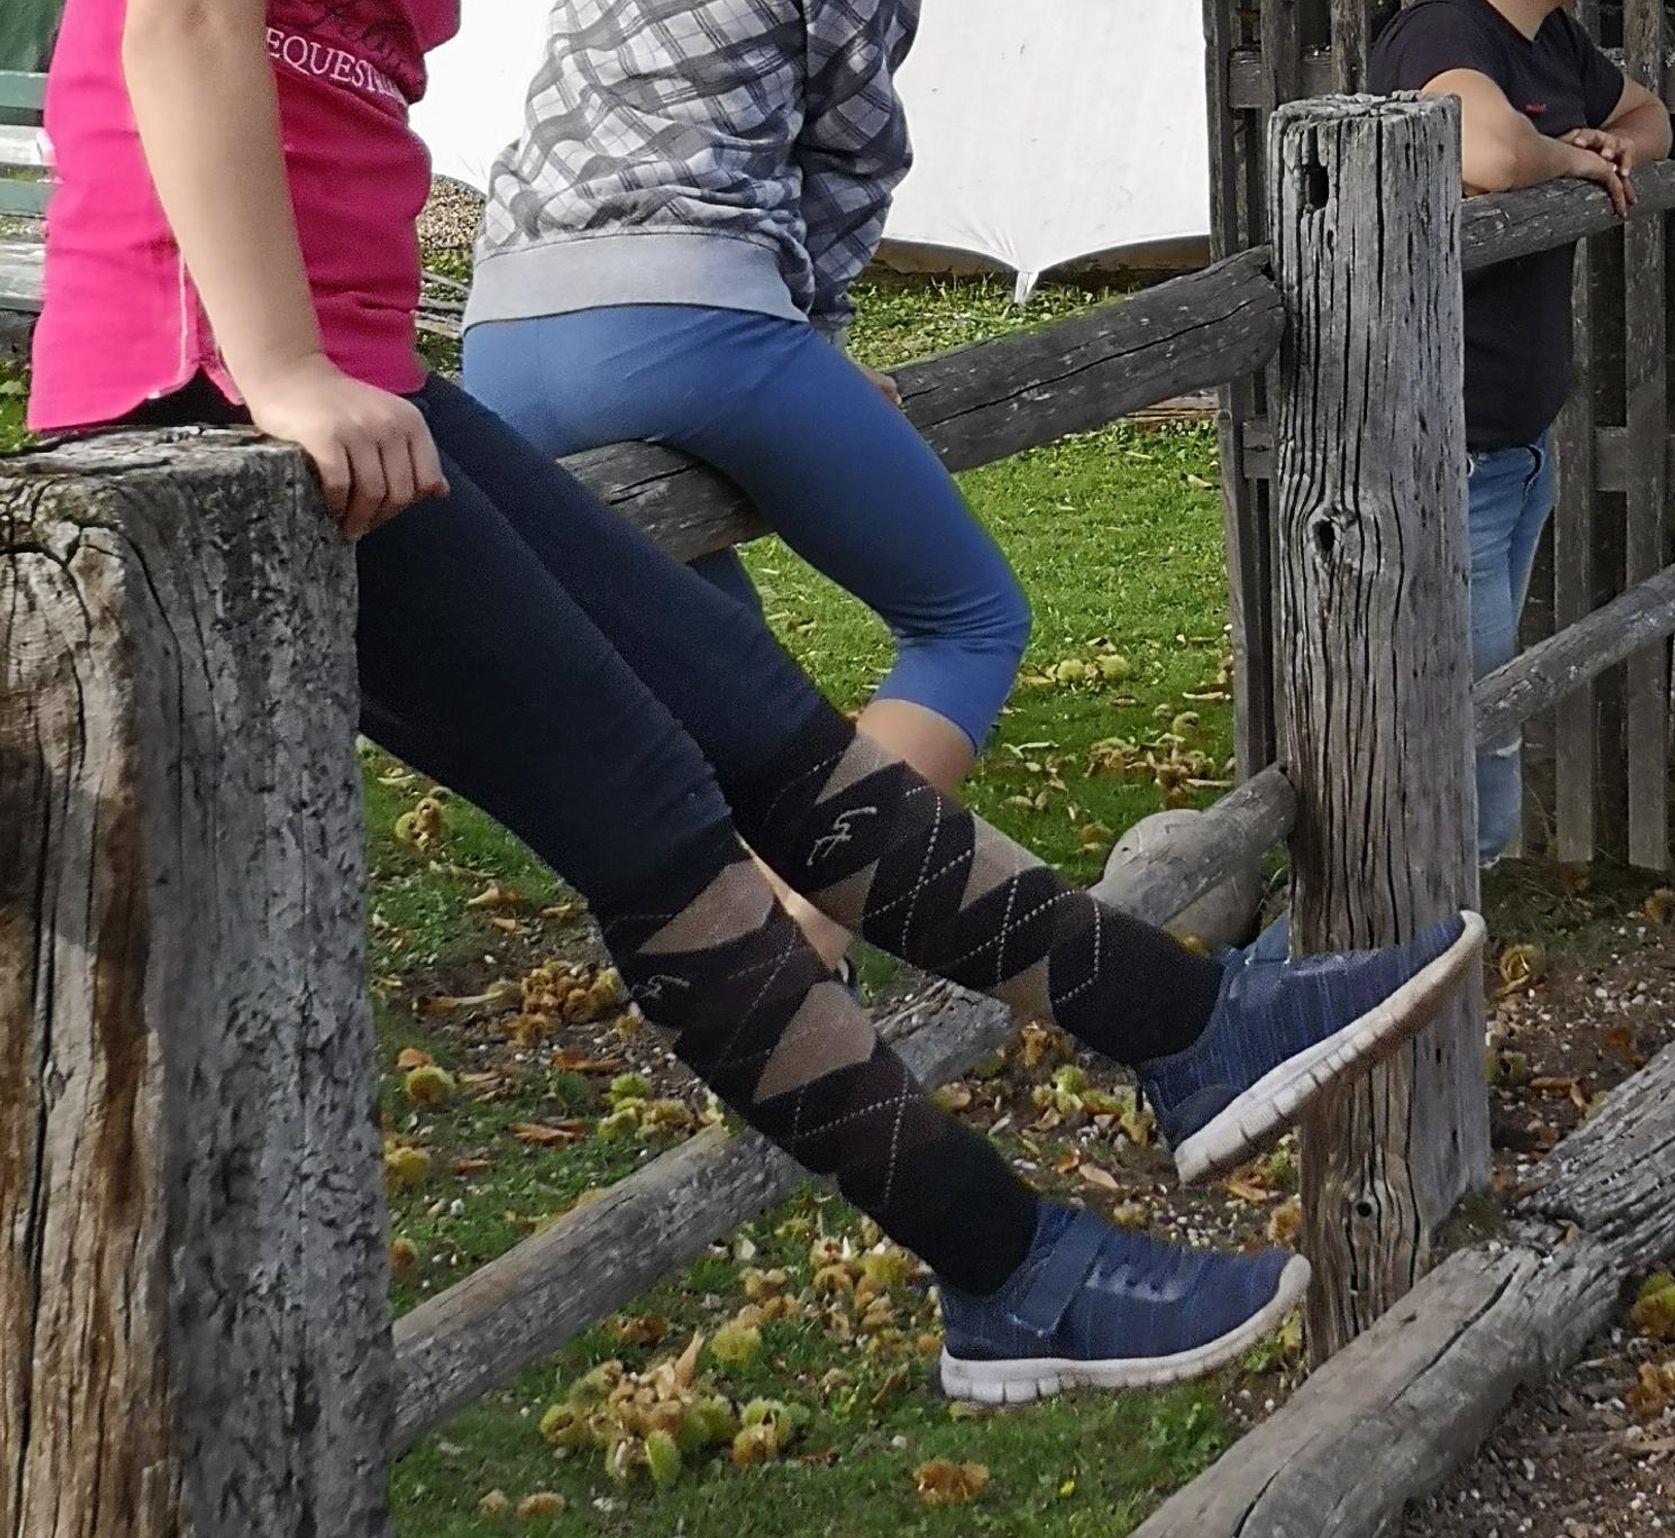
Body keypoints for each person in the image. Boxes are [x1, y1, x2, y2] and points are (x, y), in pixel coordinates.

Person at [29, 0, 1484, 1404]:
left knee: (762, 727)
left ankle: (1184, 1022)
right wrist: (282, 368)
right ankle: (1006, 1265)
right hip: (218, 397)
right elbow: (185, 18)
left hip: (361, 373)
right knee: (654, 822)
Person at [462, 0, 1016, 978]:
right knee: (970, 623)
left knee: (726, 684)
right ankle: (802, 943)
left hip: (501, 338)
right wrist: (816, 338)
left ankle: (755, 973)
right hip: (687, 316)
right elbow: (853, 152)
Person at [1370, 0, 1672, 864]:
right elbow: (1495, 155)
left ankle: (1416, 929)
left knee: (1474, 722)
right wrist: (1571, 159)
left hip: (1517, 450)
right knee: (1468, 756)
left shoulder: (1554, 39)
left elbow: (1651, 116)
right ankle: (1348, 940)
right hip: (1445, 460)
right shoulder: (1445, 32)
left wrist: (1616, 146)